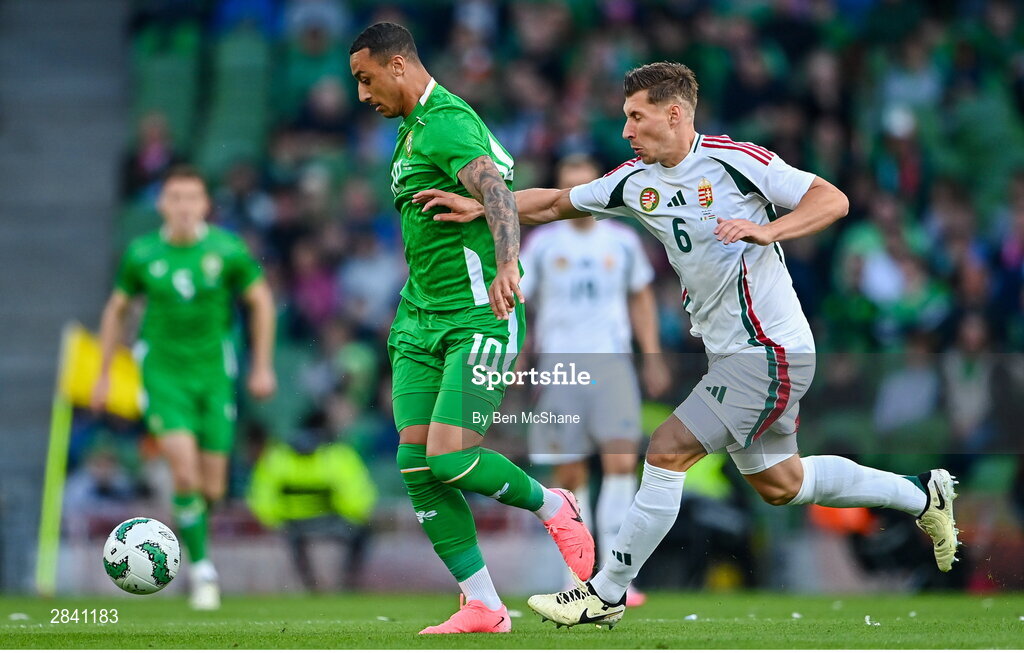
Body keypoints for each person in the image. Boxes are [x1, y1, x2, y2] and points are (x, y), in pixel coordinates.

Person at [413, 61, 960, 628]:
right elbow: (556, 203)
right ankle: (923, 496)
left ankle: (607, 592)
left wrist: (766, 230)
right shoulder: (636, 179)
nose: (625, 130)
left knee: (667, 447)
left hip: (769, 350)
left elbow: (832, 200)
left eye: (635, 116)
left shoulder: (735, 161)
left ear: (673, 114)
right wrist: (488, 206)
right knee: (782, 484)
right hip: (734, 354)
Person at [348, 22, 594, 635]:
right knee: (415, 462)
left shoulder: (447, 123)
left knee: (449, 458)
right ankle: (483, 602)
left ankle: (554, 503)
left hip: (478, 315)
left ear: (399, 65)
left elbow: (498, 192)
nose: (361, 94)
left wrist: (507, 263)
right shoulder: (410, 132)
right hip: (418, 319)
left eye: (366, 78)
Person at [92, 165, 277, 610]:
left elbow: (262, 301)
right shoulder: (141, 254)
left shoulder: (227, 250)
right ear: (162, 204)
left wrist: (263, 366)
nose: (183, 207)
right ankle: (203, 572)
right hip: (163, 375)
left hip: (214, 377)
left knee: (212, 489)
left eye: (192, 198)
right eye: (175, 198)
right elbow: (117, 309)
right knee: (185, 473)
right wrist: (104, 372)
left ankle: (193, 534)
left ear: (205, 205)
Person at [520, 154, 670, 606]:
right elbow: (520, 304)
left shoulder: (622, 240)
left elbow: (641, 300)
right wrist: (519, 359)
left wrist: (653, 357)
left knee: (622, 464)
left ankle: (616, 576)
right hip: (560, 366)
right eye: (568, 184)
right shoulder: (543, 243)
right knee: (570, 472)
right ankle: (575, 576)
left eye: (584, 185)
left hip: (612, 365)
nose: (577, 195)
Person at [247, 410, 376, 592]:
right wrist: (353, 515)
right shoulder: (337, 456)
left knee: (295, 541)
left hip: (294, 524)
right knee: (360, 533)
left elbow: (261, 497)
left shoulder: (276, 458)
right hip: (329, 521)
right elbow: (357, 497)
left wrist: (274, 520)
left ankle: (312, 584)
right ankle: (347, 581)